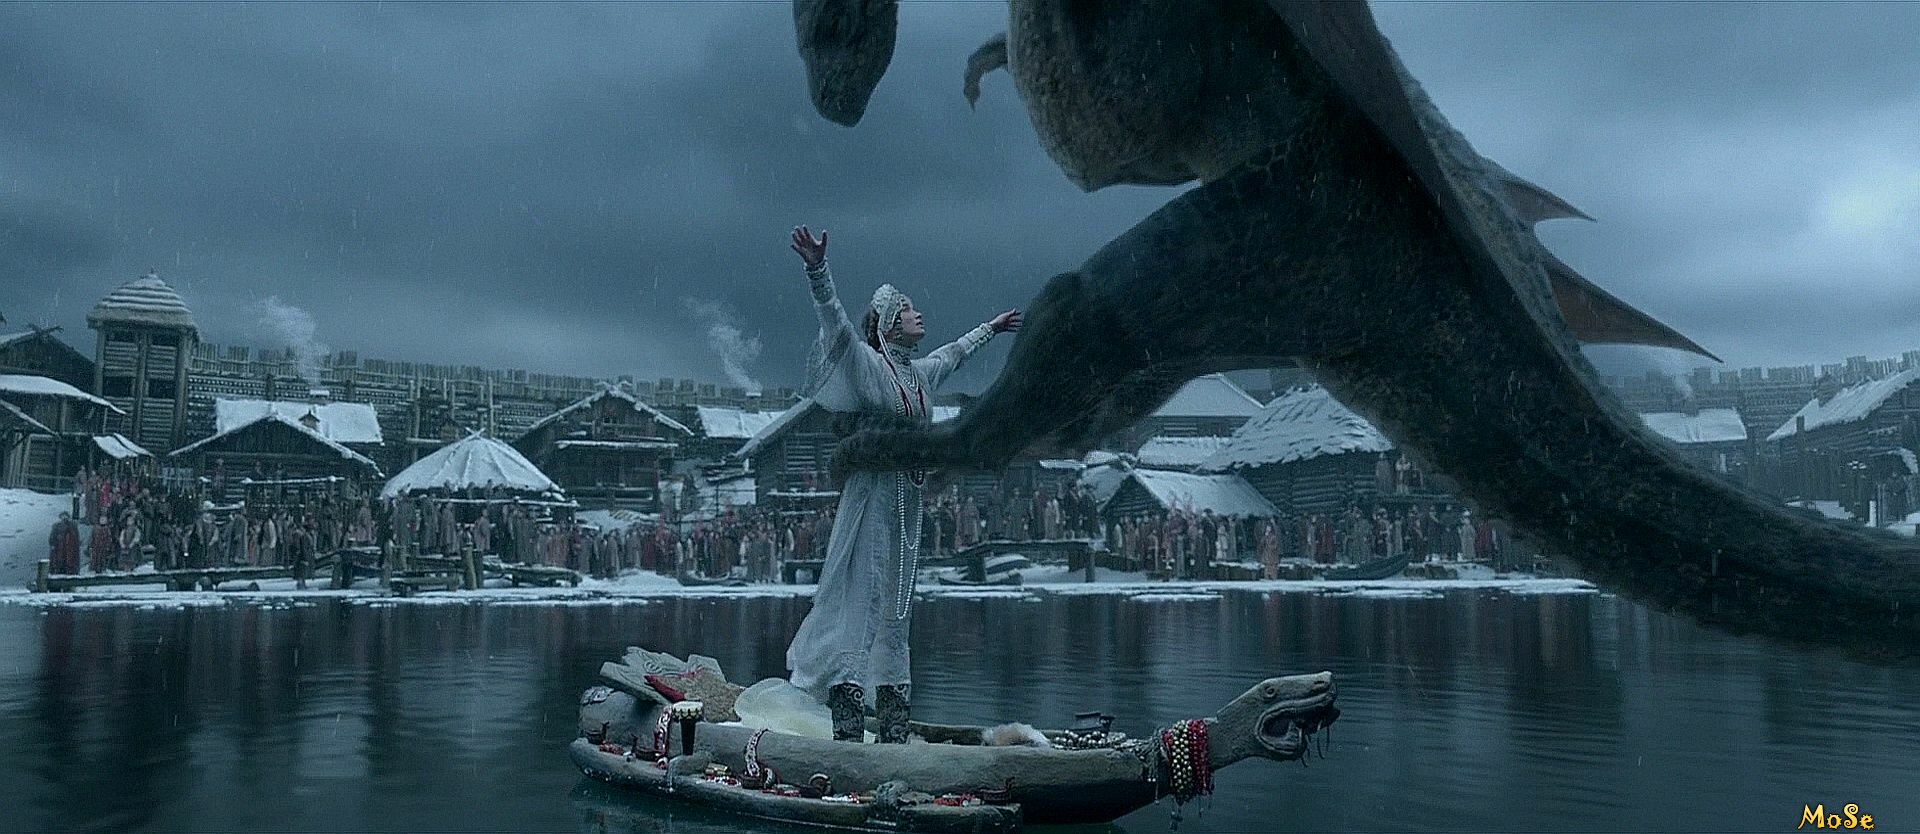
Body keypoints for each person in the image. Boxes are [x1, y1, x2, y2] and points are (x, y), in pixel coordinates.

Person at [782, 225, 1020, 743]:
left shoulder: (919, 375)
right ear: (890, 324)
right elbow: (836, 325)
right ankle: (847, 720)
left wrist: (992, 328)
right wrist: (818, 271)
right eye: (908, 310)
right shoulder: (870, 368)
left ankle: (893, 723)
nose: (919, 315)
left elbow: (955, 353)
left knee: (897, 609)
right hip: (871, 499)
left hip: (908, 506)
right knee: (862, 600)